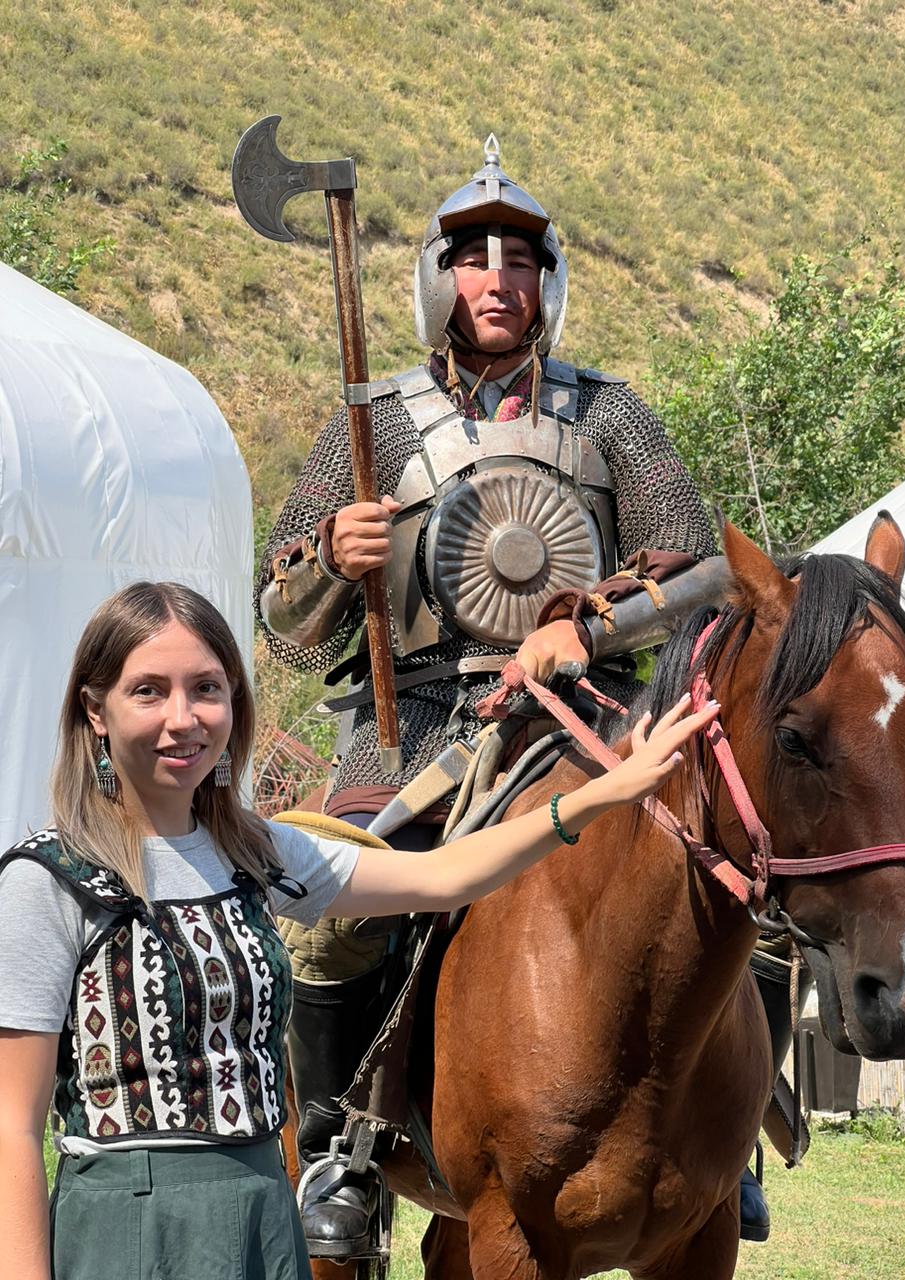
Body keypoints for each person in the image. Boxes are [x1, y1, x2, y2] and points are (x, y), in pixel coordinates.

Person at [255, 136, 729, 1253]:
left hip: (592, 722)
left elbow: (704, 566)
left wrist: (591, 620)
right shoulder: (375, 424)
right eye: (475, 258)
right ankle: (344, 1153)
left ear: (547, 282)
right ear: (441, 277)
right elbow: (279, 620)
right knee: (336, 916)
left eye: (520, 258)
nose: (498, 279)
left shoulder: (610, 415)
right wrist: (333, 552)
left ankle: (729, 1136)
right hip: (416, 723)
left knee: (720, 869)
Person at [0, 580, 716, 1280]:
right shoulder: (48, 879)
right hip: (129, 1218)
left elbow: (446, 879)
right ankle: (344, 1157)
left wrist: (602, 795)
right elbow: (12, 1129)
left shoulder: (259, 852)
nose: (183, 718)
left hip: (260, 1209)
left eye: (207, 689)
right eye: (148, 691)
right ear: (96, 711)